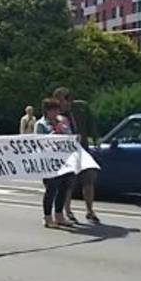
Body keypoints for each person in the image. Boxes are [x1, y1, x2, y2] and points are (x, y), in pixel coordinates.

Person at [53, 87, 101, 224]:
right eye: (61, 101)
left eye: (67, 100)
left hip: (83, 150)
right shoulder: (55, 113)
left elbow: (91, 123)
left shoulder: (81, 107)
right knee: (68, 183)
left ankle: (90, 210)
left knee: (89, 178)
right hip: (66, 154)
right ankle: (67, 210)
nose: (64, 104)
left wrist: (96, 138)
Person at [35, 98, 74, 228]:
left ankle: (59, 215)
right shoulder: (41, 124)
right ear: (47, 111)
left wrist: (64, 130)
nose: (56, 112)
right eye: (54, 110)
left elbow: (69, 136)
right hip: (48, 161)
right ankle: (47, 217)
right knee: (51, 189)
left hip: (63, 160)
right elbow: (39, 141)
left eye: (58, 109)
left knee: (64, 186)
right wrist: (54, 132)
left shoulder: (62, 122)